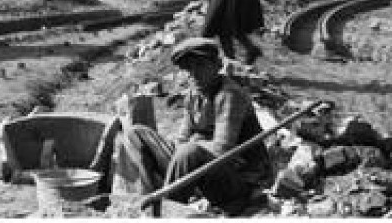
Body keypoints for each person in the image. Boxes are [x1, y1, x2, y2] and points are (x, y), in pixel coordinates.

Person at [113, 38, 273, 214]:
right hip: (202, 166)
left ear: (217, 65)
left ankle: (165, 211)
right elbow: (182, 138)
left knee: (188, 152)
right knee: (136, 133)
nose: (193, 73)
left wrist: (194, 144)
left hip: (239, 180)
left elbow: (222, 150)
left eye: (200, 66)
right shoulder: (193, 95)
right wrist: (187, 148)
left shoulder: (229, 95)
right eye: (188, 68)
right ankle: (140, 199)